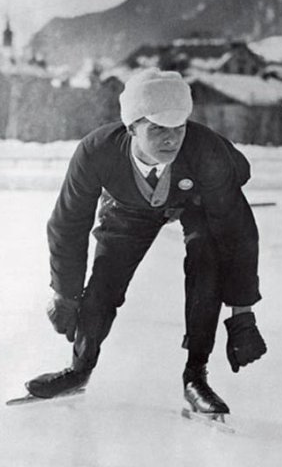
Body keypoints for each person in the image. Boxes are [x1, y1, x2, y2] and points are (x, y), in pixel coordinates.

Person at [24, 68, 266, 417]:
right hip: (129, 206)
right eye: (157, 129)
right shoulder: (96, 152)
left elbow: (237, 230)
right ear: (131, 127)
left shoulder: (207, 152)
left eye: (178, 128)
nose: (171, 139)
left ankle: (196, 375)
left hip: (196, 197)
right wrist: (64, 292)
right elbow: (67, 224)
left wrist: (242, 312)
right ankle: (79, 369)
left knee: (206, 261)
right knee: (103, 284)